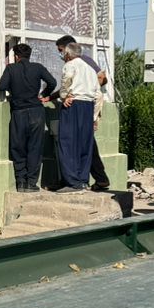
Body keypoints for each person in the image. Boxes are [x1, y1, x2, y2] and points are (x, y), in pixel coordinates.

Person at [0, 42, 57, 192]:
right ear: (29, 55)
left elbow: (2, 86)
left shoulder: (11, 69)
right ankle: (31, 183)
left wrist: (13, 89)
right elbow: (52, 82)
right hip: (36, 111)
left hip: (19, 112)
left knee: (18, 147)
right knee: (35, 148)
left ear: (16, 57)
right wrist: (44, 95)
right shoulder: (38, 68)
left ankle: (21, 182)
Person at [54, 35, 111, 191]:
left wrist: (64, 97)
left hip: (74, 105)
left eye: (61, 51)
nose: (61, 55)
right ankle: (83, 180)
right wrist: (94, 117)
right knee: (84, 145)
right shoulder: (91, 69)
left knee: (67, 143)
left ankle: (71, 182)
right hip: (88, 106)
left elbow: (66, 82)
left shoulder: (70, 65)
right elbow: (97, 93)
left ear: (67, 51)